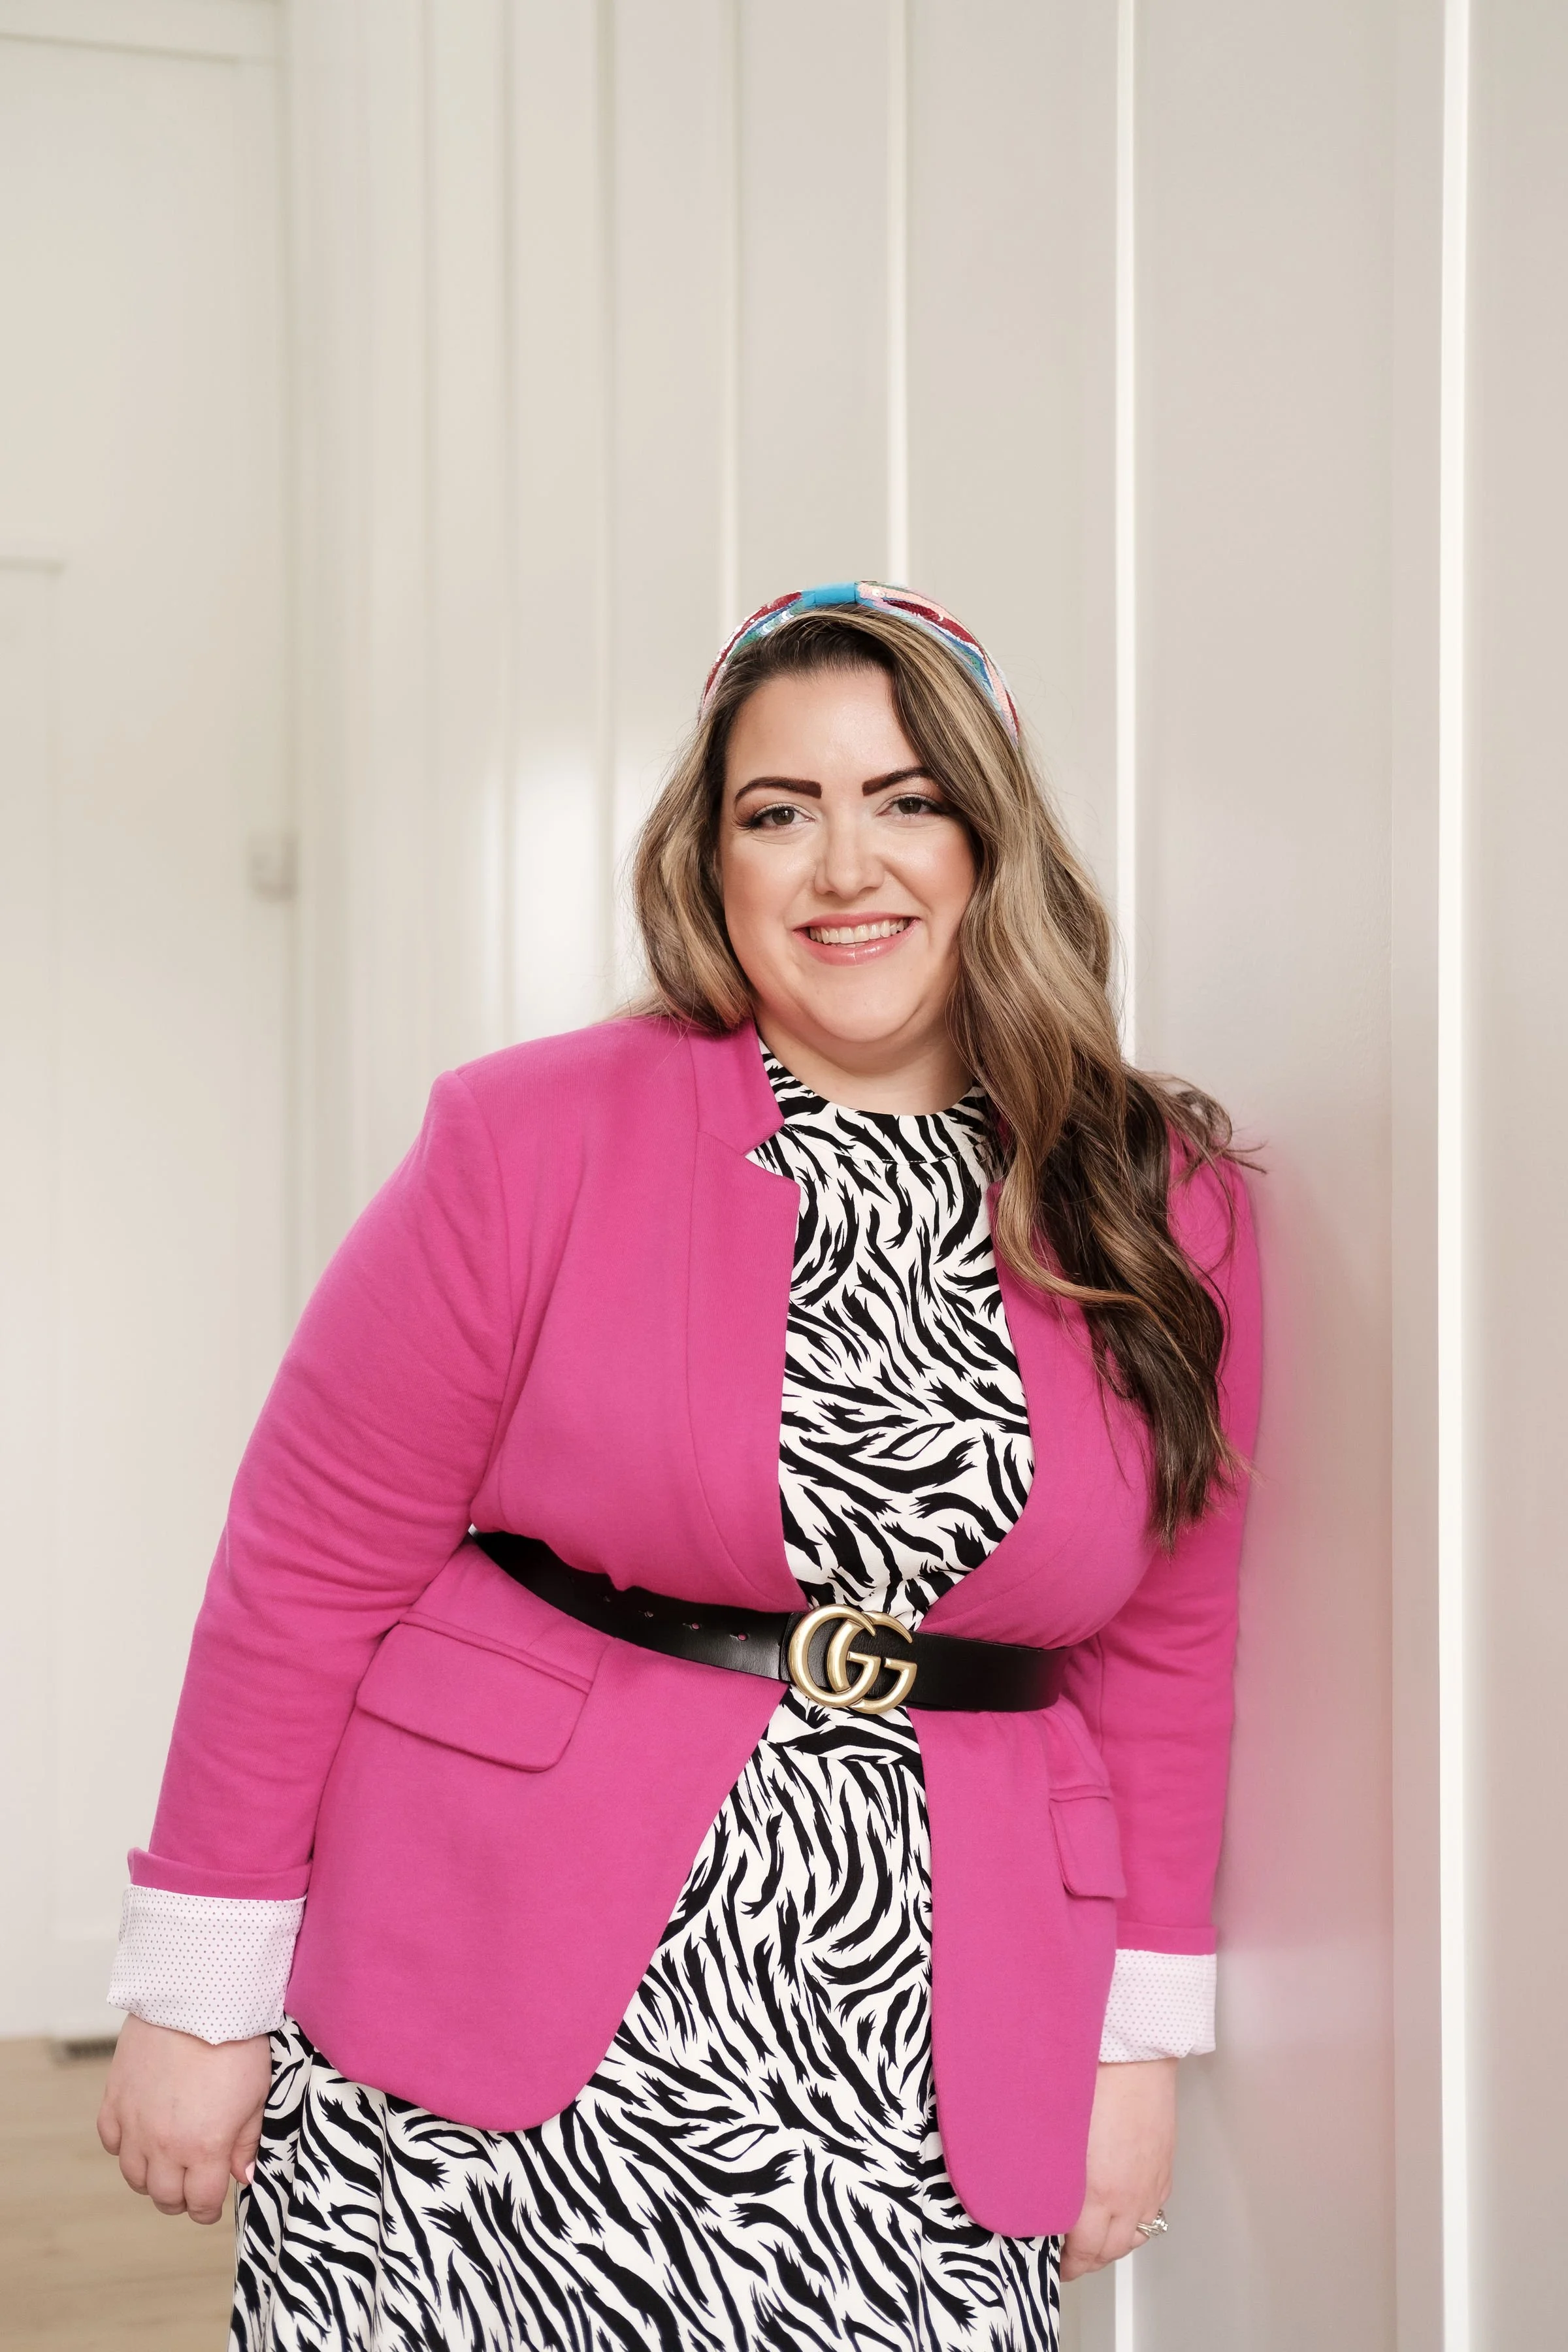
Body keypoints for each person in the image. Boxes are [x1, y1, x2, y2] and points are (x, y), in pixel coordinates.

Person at [98, 581, 1261, 2352]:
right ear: (707, 865)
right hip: (488, 2003)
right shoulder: (530, 1137)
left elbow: (1170, 1650)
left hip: (928, 2044)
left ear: (991, 837)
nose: (840, 868)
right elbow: (307, 1565)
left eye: (904, 799)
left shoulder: (1163, 1198)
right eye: (776, 813)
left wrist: (1138, 2040)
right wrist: (199, 1990)